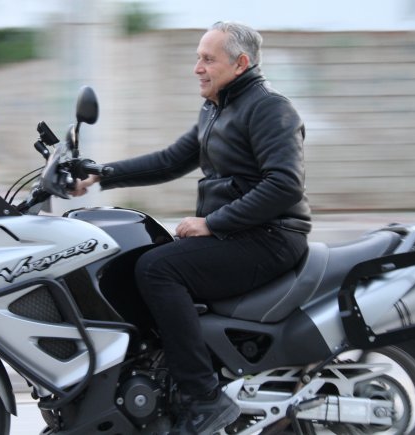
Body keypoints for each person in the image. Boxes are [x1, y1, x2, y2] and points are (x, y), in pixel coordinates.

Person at [72, 21, 311, 434]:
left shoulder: (269, 108)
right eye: (198, 58)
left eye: (207, 59)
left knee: (157, 268)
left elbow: (284, 185)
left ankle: (203, 397)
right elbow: (170, 160)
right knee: (136, 257)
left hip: (270, 237)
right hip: (241, 233)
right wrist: (101, 173)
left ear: (240, 63)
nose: (197, 68)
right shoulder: (218, 107)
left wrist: (213, 223)